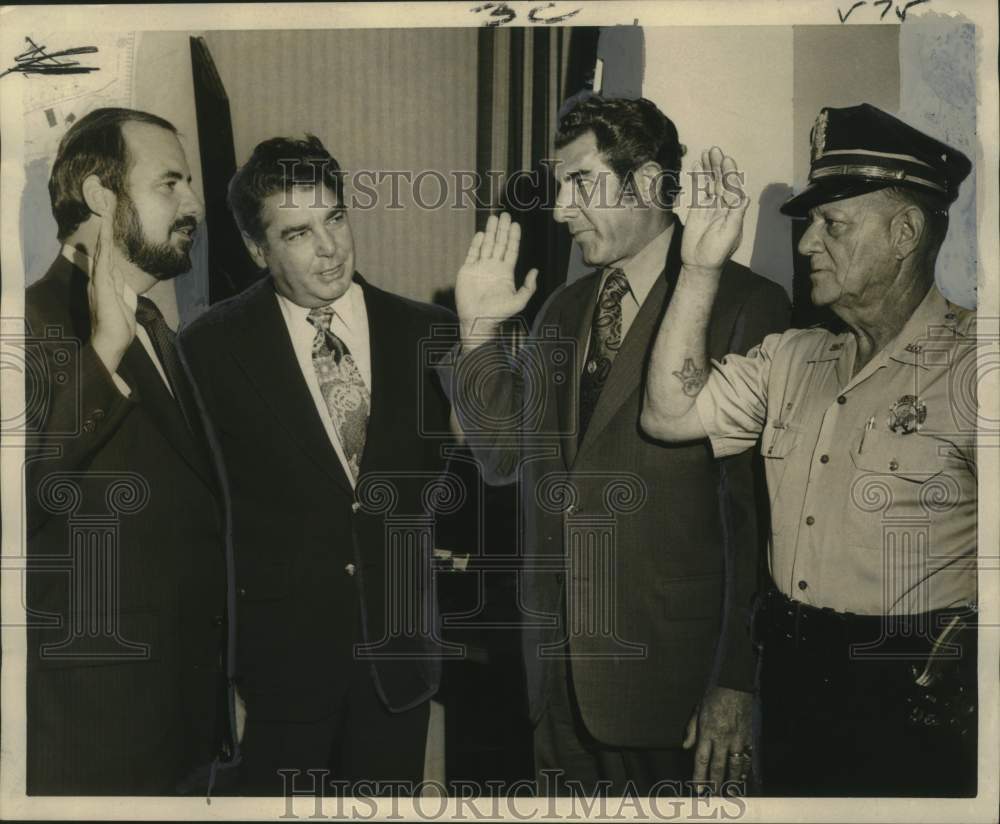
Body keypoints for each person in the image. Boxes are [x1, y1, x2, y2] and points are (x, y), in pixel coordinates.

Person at [443, 96, 789, 795]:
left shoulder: (745, 305)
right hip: (557, 683)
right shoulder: (562, 311)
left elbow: (758, 525)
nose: (561, 209)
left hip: (676, 690)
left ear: (649, 181)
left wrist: (734, 682)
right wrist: (478, 332)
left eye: (580, 183)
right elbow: (501, 455)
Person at [641, 103, 977, 796]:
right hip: (792, 679)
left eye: (834, 225)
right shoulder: (794, 358)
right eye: (810, 225)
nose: (805, 245)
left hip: (915, 692)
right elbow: (667, 413)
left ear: (905, 233)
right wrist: (701, 268)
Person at [178, 135, 458, 796]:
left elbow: (482, 472)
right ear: (257, 249)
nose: (329, 247)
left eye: (334, 218)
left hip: (397, 662)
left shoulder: (429, 331)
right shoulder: (209, 351)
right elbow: (200, 523)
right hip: (277, 676)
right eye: (298, 233)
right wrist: (222, 677)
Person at [24, 107, 231, 794]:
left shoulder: (161, 329)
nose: (195, 204)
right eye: (170, 183)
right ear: (99, 197)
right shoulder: (26, 324)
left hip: (180, 730)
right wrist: (104, 350)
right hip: (92, 745)